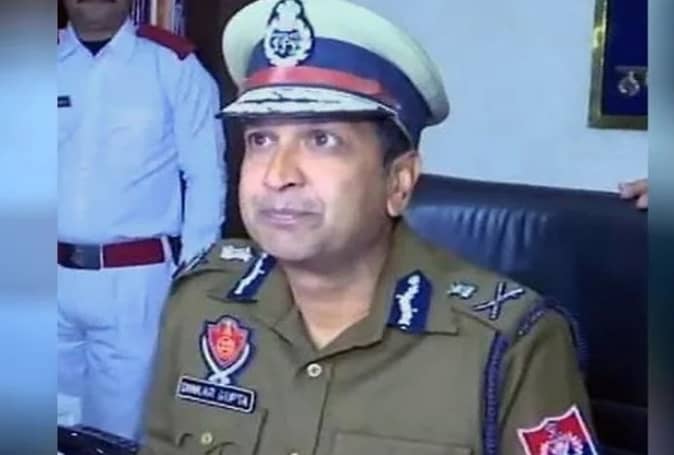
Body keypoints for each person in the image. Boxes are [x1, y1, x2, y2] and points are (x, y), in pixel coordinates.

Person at [139, 0, 597, 454]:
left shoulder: (509, 345)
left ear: (398, 182)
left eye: (321, 140)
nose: (278, 175)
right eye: (261, 139)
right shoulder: (201, 302)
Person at [57, 0, 226, 441]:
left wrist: (192, 279)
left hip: (134, 282)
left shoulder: (172, 65)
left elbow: (206, 177)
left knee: (117, 431)